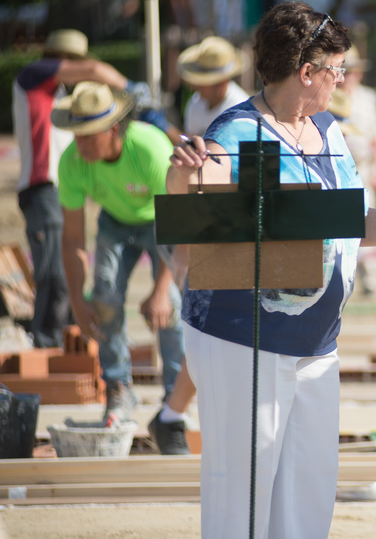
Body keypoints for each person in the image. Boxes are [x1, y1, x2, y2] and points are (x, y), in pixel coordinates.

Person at [166, 1, 376, 539]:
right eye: (337, 69)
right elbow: (198, 217)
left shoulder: (329, 130)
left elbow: (348, 219)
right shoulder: (236, 134)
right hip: (244, 340)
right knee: (242, 498)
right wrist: (185, 177)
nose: (343, 80)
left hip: (315, 343)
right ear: (307, 72)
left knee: (307, 493)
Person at [143, 35, 254, 455]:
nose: (199, 87)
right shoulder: (198, 105)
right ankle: (177, 414)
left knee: (218, 329)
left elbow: (214, 171)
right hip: (206, 214)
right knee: (209, 328)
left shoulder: (236, 110)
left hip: (226, 215)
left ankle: (175, 413)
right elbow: (193, 164)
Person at [53, 82, 185, 425]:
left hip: (163, 221)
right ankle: (119, 387)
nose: (78, 144)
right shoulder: (72, 163)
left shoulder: (150, 149)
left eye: (87, 135)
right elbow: (72, 240)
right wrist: (77, 302)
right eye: (75, 134)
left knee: (169, 303)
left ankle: (174, 399)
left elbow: (180, 228)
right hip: (115, 221)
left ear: (113, 129)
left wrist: (158, 292)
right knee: (104, 298)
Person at [13, 30, 128, 348]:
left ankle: (62, 342)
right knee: (53, 273)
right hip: (41, 186)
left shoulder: (56, 92)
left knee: (62, 270)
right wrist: (130, 89)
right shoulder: (35, 74)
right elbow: (95, 72)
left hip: (53, 188)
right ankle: (47, 344)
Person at [332, 45, 376, 295]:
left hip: (362, 167)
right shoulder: (329, 95)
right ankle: (344, 276)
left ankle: (370, 277)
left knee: (368, 217)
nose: (350, 76)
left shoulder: (369, 98)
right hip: (334, 168)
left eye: (353, 71)